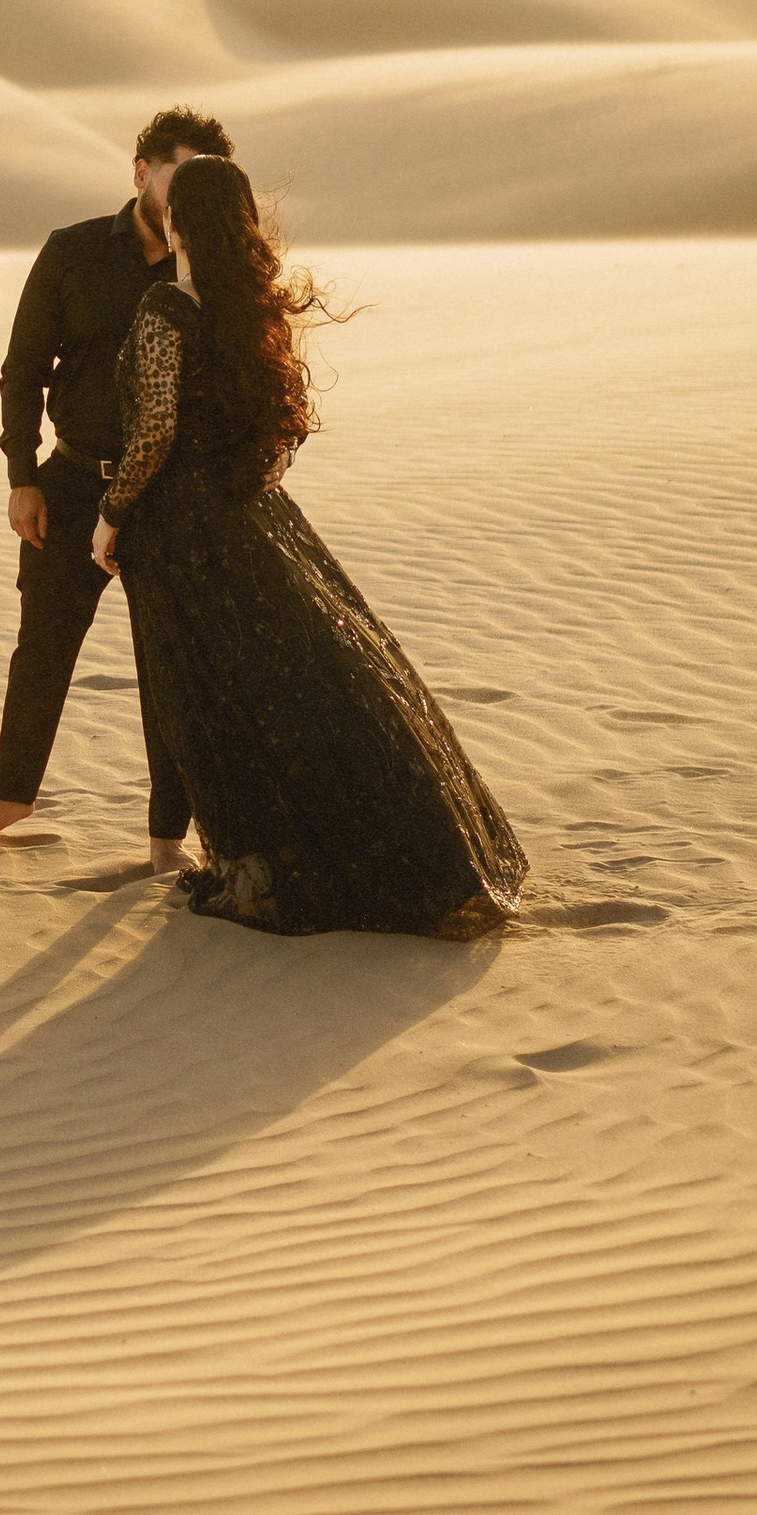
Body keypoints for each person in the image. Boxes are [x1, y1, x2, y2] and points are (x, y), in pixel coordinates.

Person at [94, 154, 527, 937]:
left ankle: (259, 872)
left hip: (183, 533)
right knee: (305, 685)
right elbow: (278, 430)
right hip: (255, 517)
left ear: (180, 223)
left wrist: (112, 511)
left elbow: (154, 429)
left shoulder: (166, 308)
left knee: (212, 697)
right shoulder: (247, 309)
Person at [0, 109, 233, 862]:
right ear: (141, 171)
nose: (184, 199)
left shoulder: (213, 269)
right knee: (41, 651)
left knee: (167, 668)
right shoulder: (72, 252)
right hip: (73, 483)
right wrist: (22, 478)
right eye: (177, 177)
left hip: (170, 498)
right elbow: (23, 371)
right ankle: (7, 800)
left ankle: (165, 836)